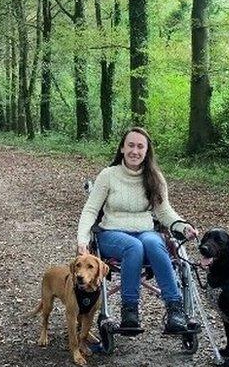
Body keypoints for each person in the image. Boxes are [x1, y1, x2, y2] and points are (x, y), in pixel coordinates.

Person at [76, 127, 198, 334]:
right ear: (122, 148)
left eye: (140, 146)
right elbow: (91, 209)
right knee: (134, 246)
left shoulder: (154, 177)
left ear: (147, 150)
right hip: (111, 232)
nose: (135, 150)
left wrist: (183, 226)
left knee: (152, 243)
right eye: (130, 145)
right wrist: (82, 238)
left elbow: (164, 212)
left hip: (145, 231)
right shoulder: (108, 175)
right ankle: (129, 311)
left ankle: (175, 310)